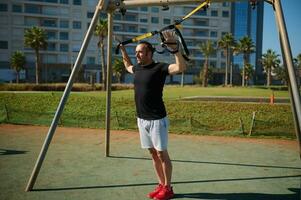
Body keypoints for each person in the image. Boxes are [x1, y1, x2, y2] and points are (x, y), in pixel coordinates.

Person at [119, 30, 186, 200]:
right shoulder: (138, 68)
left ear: (150, 53)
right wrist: (123, 50)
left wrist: (175, 48)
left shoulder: (160, 67)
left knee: (162, 154)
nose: (137, 55)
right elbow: (127, 66)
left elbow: (180, 67)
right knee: (152, 154)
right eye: (136, 53)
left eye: (140, 52)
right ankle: (161, 185)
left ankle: (168, 189)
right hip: (142, 120)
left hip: (157, 120)